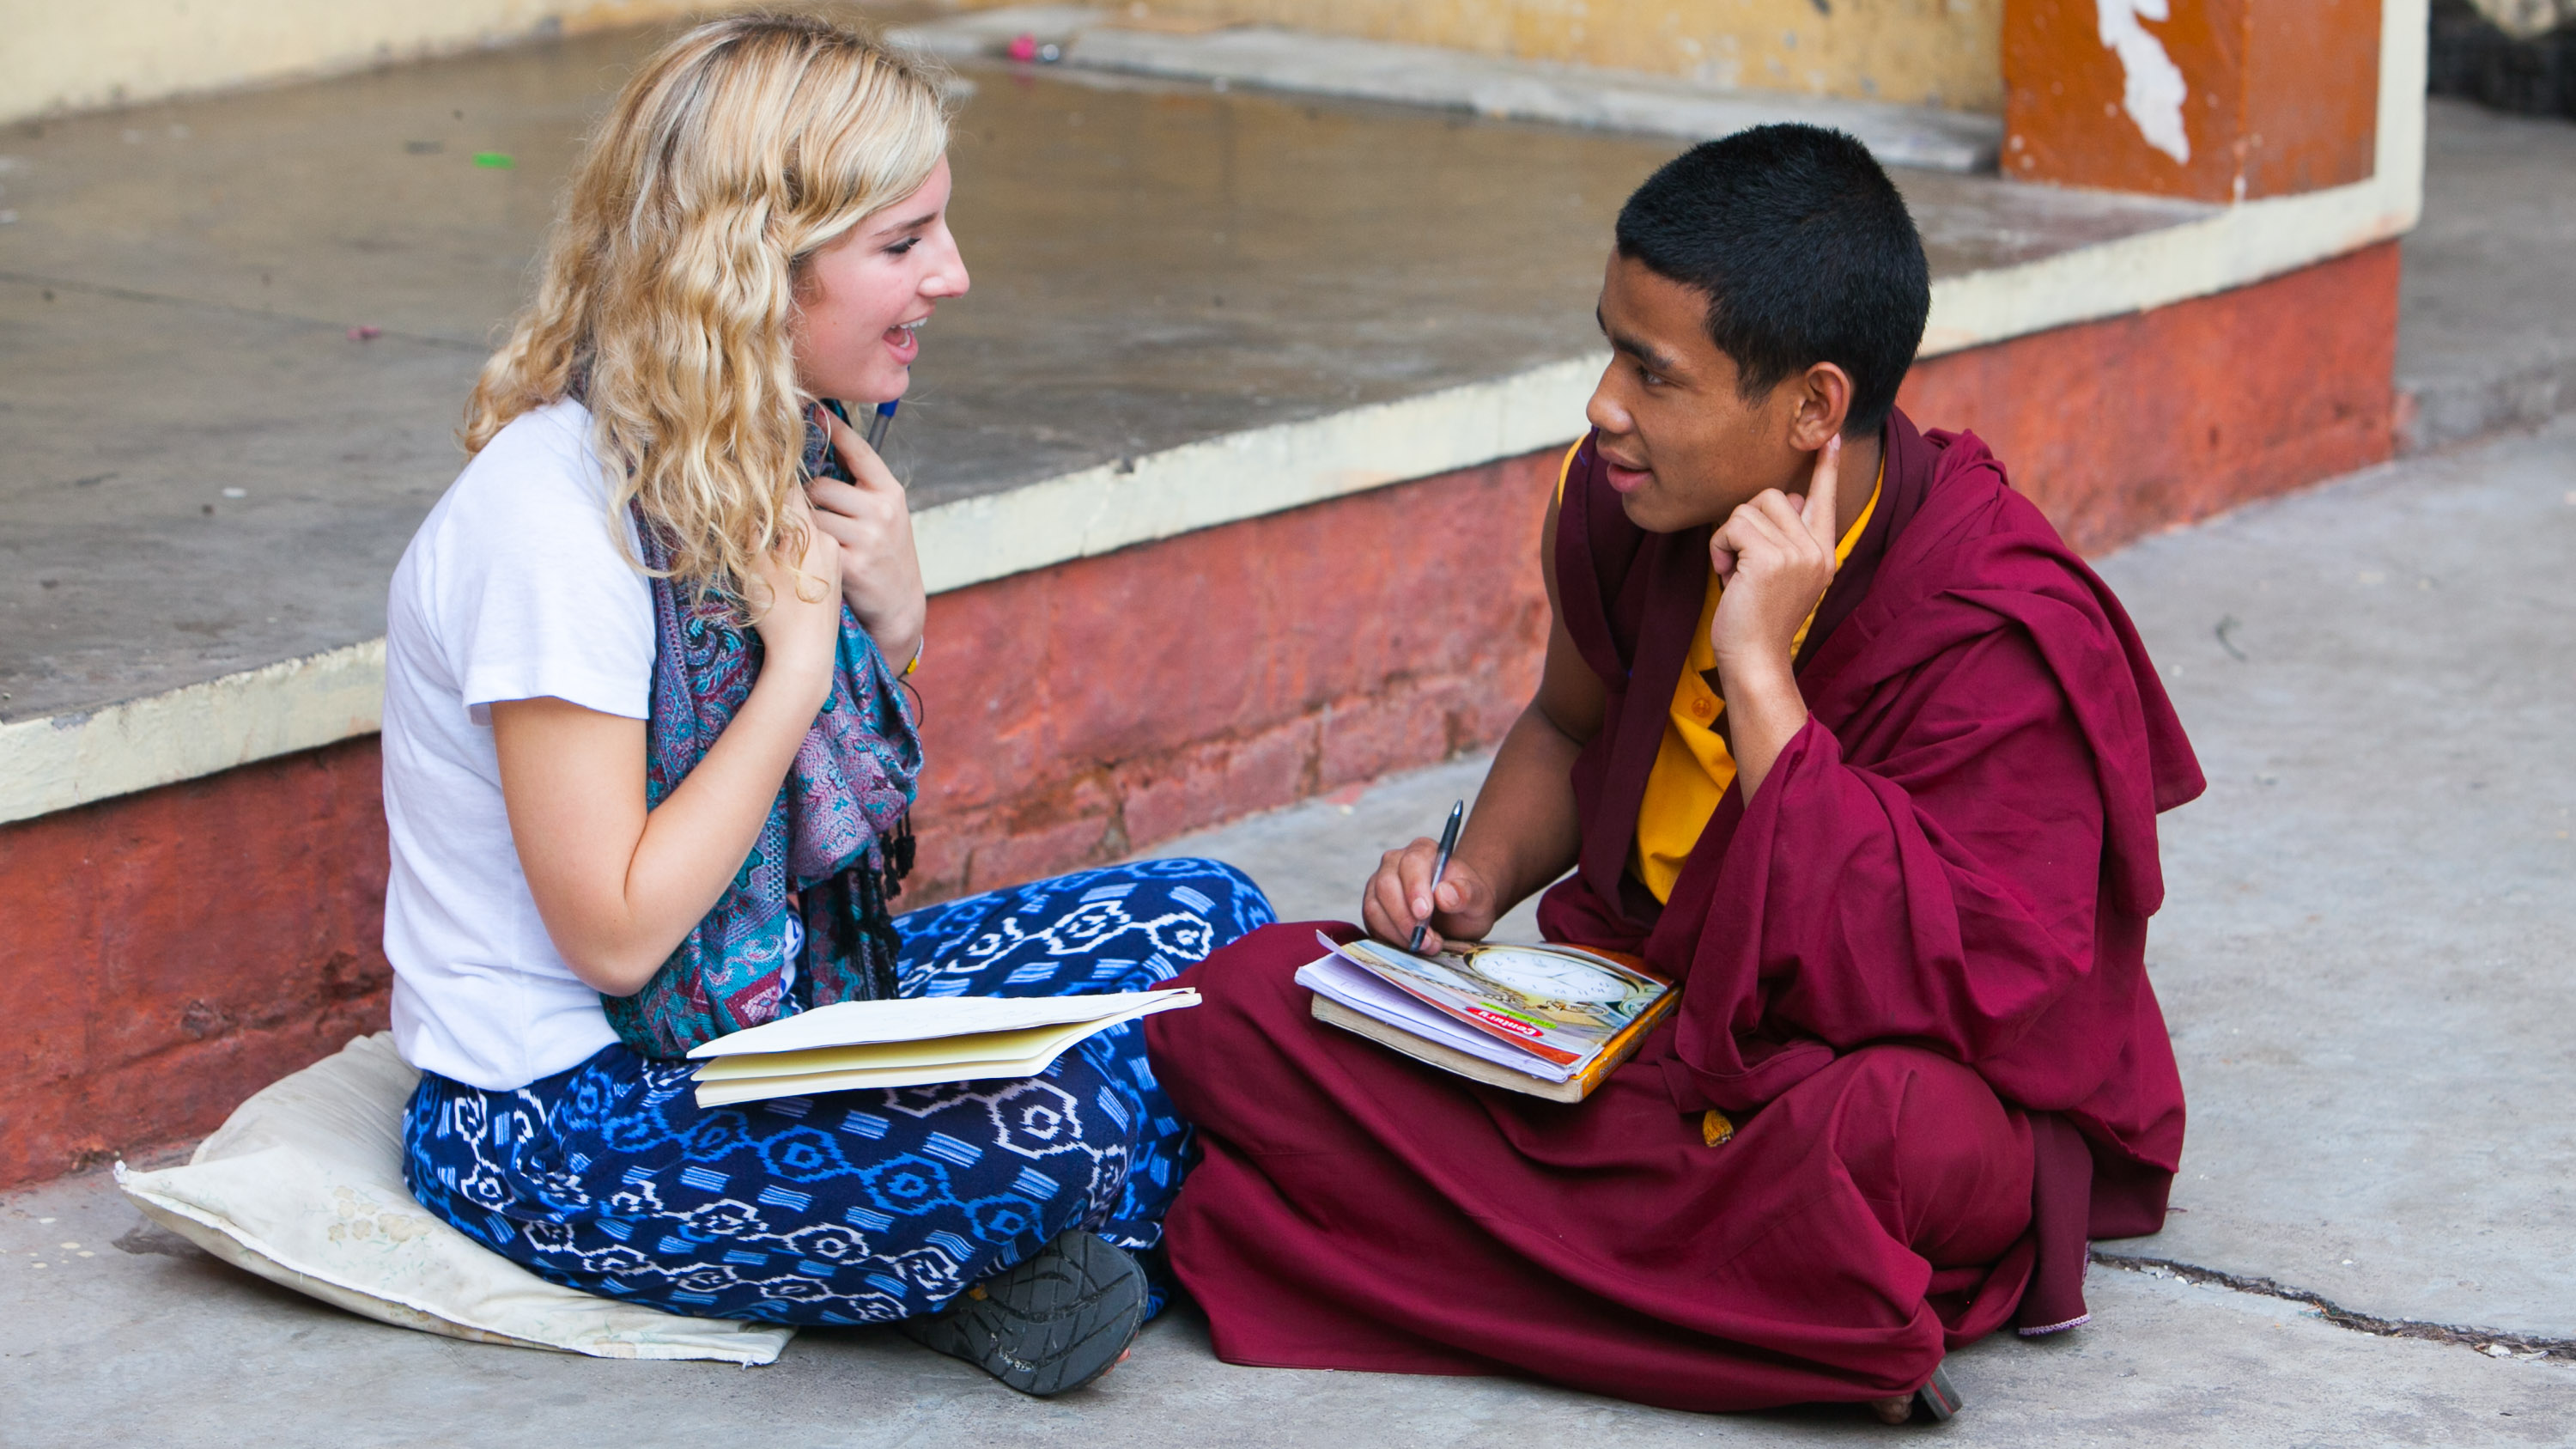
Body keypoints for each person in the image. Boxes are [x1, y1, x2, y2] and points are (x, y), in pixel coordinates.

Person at [1145, 125, 2203, 1421]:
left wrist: (1762, 678)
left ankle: (1303, 1242)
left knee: (1893, 1147)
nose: (1604, 406)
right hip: (1632, 1036)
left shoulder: (1994, 623)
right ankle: (1782, 1330)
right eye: (1609, 348)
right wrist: (1475, 877)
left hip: (1831, 1082)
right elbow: (1570, 728)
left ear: (1814, 405)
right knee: (1239, 1003)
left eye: (1652, 374)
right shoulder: (1622, 498)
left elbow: (1980, 999)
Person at [380, 15, 1272, 1397]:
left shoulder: (774, 451)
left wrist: (895, 624)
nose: (953, 277)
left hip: (780, 1013)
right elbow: (616, 936)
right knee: (1056, 1131)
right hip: (563, 1114)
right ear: (750, 267)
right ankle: (1067, 1249)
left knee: (1213, 935)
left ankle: (1013, 1271)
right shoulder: (551, 526)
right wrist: (800, 670)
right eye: (904, 243)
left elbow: (831, 842)